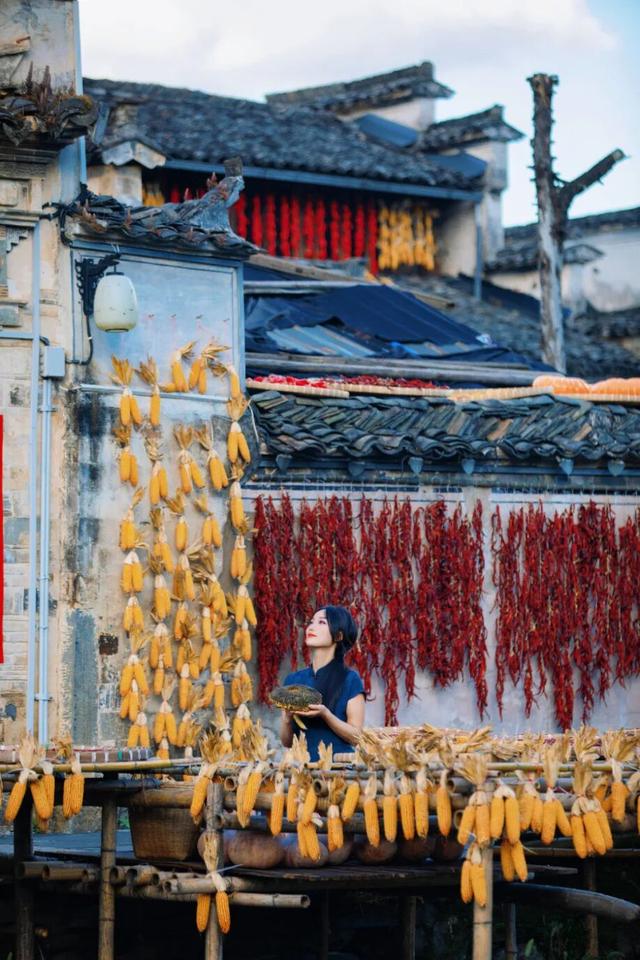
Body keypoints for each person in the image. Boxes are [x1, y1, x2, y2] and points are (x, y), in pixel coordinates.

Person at [279, 605, 365, 762]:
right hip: (302, 772)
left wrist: (326, 715)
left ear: (338, 636)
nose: (311, 627)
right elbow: (287, 742)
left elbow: (357, 737)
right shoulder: (292, 681)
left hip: (339, 771)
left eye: (322, 622)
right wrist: (287, 719)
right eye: (312, 622)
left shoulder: (350, 679)